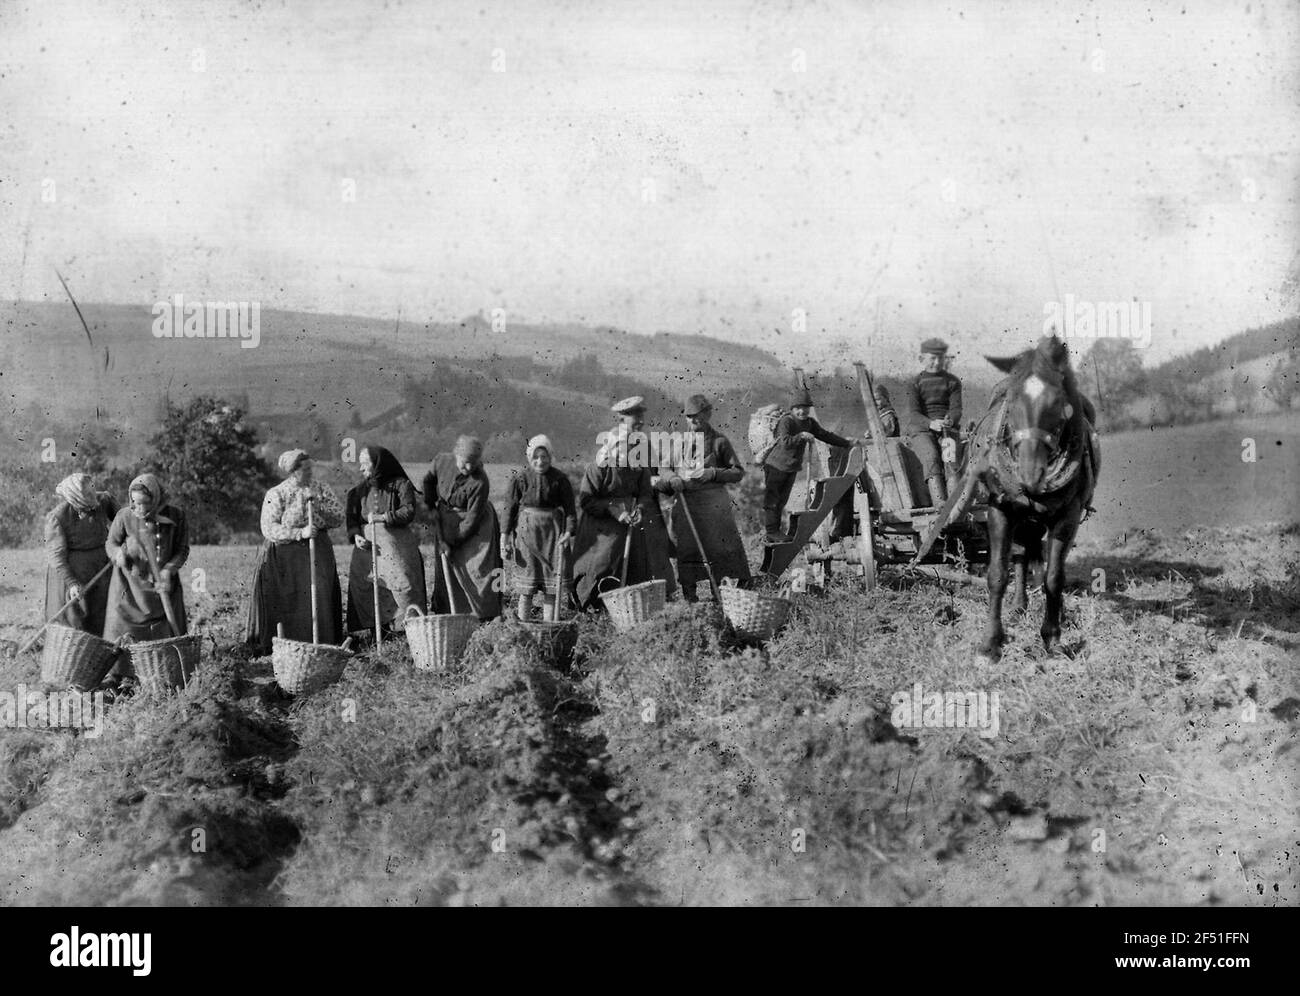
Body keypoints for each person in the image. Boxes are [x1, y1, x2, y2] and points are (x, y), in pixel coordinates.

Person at [571, 396, 677, 609]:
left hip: (637, 517)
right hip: (604, 521)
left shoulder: (642, 448)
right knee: (605, 559)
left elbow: (647, 486)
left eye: (641, 416)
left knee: (646, 561)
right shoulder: (600, 465)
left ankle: (639, 605)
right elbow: (587, 499)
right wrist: (614, 510)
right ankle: (594, 604)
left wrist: (639, 507)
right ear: (621, 420)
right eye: (634, 417)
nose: (639, 421)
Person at [244, 448, 345, 653]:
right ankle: (289, 647)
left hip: (318, 550)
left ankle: (322, 644)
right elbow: (269, 528)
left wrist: (318, 507)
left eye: (310, 468)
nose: (309, 473)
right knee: (291, 599)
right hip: (287, 555)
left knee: (319, 596)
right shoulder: (277, 493)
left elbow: (339, 517)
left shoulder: (321, 489)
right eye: (305, 469)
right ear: (293, 471)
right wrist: (299, 533)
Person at [655, 394, 751, 600]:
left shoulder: (719, 441)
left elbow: (738, 472)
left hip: (714, 507)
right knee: (687, 551)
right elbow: (663, 467)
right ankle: (690, 598)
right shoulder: (678, 442)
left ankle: (720, 597)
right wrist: (672, 477)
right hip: (687, 505)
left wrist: (714, 473)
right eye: (689, 417)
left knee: (718, 552)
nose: (694, 421)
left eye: (698, 416)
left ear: (708, 414)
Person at [102, 474, 190, 684]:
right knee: (124, 630)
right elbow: (111, 543)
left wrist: (169, 570)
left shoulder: (176, 516)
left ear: (156, 498)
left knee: (165, 632)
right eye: (134, 502)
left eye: (143, 503)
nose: (138, 508)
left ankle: (164, 672)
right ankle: (122, 674)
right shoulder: (124, 516)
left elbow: (182, 549)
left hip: (163, 585)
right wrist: (117, 554)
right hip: (131, 586)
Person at [345, 446, 427, 639]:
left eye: (365, 463)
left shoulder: (401, 485)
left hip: (396, 546)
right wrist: (356, 535)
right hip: (367, 548)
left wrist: (384, 517)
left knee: (403, 585)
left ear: (378, 464)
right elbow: (352, 519)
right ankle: (378, 632)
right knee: (369, 587)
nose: (361, 468)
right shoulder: (358, 491)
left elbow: (408, 511)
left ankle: (413, 631)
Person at [761, 387, 855, 544]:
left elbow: (825, 435)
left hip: (790, 468)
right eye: (798, 408)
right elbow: (785, 443)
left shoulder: (810, 423)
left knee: (782, 500)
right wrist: (801, 436)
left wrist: (846, 443)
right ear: (792, 409)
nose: (801, 412)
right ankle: (772, 532)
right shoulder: (787, 421)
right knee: (773, 501)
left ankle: (776, 532)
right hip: (775, 466)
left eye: (805, 408)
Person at [422, 435, 502, 620]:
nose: (468, 468)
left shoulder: (480, 481)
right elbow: (428, 480)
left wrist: (451, 542)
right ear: (455, 454)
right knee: (446, 569)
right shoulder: (442, 460)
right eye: (465, 463)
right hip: (445, 520)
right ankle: (450, 617)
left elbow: (472, 520)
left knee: (477, 571)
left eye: (473, 464)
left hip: (476, 528)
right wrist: (429, 503)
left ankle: (483, 617)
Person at [502, 435, 576, 621]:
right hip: (527, 534)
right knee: (526, 588)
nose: (540, 461)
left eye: (544, 456)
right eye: (535, 457)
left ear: (550, 456)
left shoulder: (560, 479)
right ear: (529, 458)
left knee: (551, 587)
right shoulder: (520, 479)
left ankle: (549, 628)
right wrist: (505, 537)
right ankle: (522, 627)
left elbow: (570, 510)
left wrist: (568, 532)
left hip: (553, 534)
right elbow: (509, 509)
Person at [42, 473, 118, 638]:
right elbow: (57, 557)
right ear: (74, 499)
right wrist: (72, 583)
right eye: (85, 502)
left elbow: (123, 522)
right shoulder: (57, 517)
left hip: (101, 567)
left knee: (101, 614)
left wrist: (119, 546)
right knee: (75, 621)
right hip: (72, 573)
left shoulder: (104, 501)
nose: (91, 506)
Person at [904, 337, 963, 505]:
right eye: (932, 358)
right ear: (921, 359)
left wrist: (950, 420)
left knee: (950, 457)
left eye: (940, 358)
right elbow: (914, 414)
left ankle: (954, 502)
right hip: (922, 429)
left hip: (946, 428)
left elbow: (956, 409)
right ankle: (939, 503)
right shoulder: (915, 383)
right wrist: (931, 423)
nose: (937, 363)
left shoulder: (952, 382)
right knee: (930, 456)